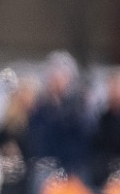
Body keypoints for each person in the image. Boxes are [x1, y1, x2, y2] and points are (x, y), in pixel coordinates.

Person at [25, 53, 90, 184]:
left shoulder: (81, 106)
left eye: (62, 76)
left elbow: (83, 137)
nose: (57, 81)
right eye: (53, 76)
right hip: (46, 168)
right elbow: (37, 139)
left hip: (74, 167)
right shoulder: (41, 107)